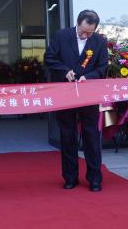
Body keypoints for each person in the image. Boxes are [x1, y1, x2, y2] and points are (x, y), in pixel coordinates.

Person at [44, 10, 108, 192]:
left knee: (91, 135)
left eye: (90, 32)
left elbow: (103, 67)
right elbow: (49, 58)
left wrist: (89, 77)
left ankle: (95, 178)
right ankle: (70, 177)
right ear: (77, 23)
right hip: (65, 92)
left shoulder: (99, 41)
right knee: (67, 135)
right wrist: (64, 71)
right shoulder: (61, 36)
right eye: (83, 31)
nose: (85, 35)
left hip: (88, 94)